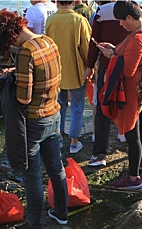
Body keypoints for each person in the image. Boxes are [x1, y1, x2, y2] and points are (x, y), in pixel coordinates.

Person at [0, 9, 69, 229]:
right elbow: (46, 74)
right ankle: (61, 213)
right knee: (55, 167)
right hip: (53, 114)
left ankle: (34, 224)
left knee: (31, 174)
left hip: (33, 121)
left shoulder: (26, 53)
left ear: (9, 35)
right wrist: (16, 72)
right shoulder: (48, 41)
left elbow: (23, 97)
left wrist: (5, 83)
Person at [95, 0, 142, 189]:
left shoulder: (138, 38)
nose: (121, 25)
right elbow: (130, 56)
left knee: (132, 135)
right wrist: (115, 49)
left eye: (122, 21)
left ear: (130, 17)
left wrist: (111, 56)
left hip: (131, 93)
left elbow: (128, 70)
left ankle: (133, 178)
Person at [85, 0, 129, 167]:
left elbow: (93, 42)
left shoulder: (101, 12)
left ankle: (99, 154)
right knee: (131, 107)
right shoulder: (135, 9)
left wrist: (90, 66)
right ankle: (140, 152)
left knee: (103, 108)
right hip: (129, 65)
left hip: (107, 66)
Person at [46, 0, 91, 154]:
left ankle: (57, 139)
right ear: (73, 2)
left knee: (59, 107)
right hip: (76, 70)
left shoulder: (50, 20)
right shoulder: (80, 20)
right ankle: (74, 143)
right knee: (77, 108)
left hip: (56, 71)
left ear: (57, 2)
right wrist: (92, 68)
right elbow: (86, 48)